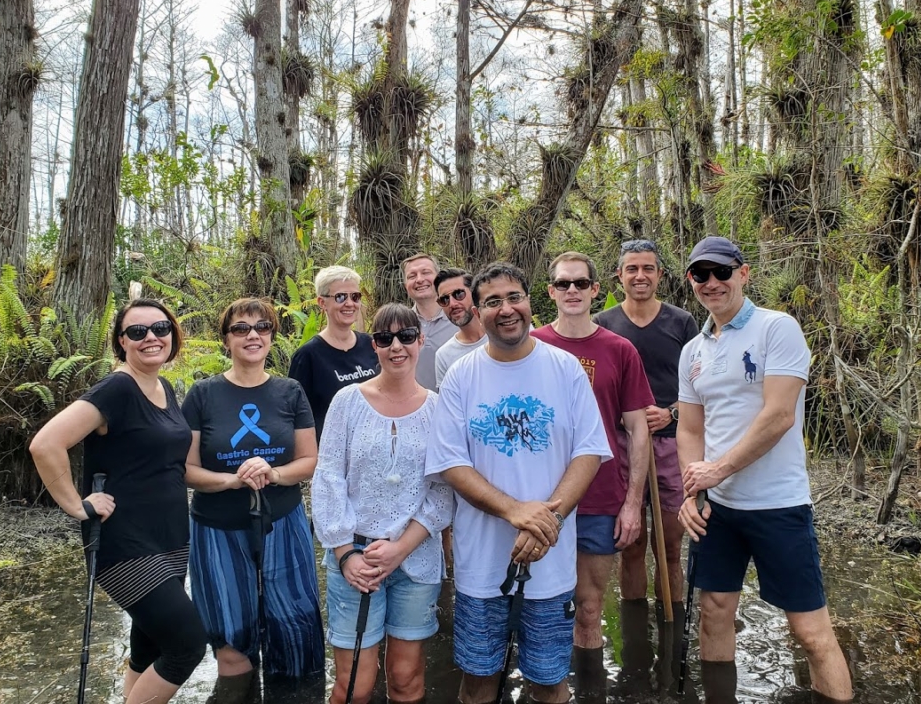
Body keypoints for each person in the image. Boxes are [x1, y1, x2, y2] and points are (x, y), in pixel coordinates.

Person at [427, 261, 612, 704]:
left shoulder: (566, 368)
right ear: (477, 310)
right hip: (481, 566)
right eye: (492, 302)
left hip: (551, 562)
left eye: (514, 297)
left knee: (549, 682)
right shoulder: (461, 375)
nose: (506, 309)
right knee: (477, 681)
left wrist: (547, 517)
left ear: (530, 301)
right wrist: (516, 511)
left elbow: (589, 451)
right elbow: (450, 462)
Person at [677, 236, 852, 701]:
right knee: (713, 611)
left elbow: (778, 416)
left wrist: (719, 470)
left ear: (743, 273)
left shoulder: (778, 328)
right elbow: (690, 429)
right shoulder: (692, 350)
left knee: (810, 632)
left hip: (778, 504)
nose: (712, 283)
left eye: (721, 272)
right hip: (717, 510)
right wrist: (693, 490)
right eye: (701, 274)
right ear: (691, 281)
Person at [29, 299, 206, 704]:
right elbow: (46, 444)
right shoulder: (118, 388)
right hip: (126, 545)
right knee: (187, 645)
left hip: (170, 538)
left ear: (172, 335)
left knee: (150, 647)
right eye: (137, 332)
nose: (151, 338)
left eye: (160, 328)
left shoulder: (163, 387)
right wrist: (77, 506)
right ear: (121, 342)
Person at [183, 298, 324, 702]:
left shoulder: (289, 391)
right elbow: (187, 470)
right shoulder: (203, 394)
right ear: (225, 339)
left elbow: (310, 460)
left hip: (283, 521)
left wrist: (273, 473)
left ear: (271, 337)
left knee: (294, 631)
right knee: (231, 638)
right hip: (217, 527)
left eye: (262, 327)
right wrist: (232, 480)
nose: (252, 335)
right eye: (240, 328)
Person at [312, 304, 453, 704]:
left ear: (421, 341)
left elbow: (444, 490)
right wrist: (344, 554)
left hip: (417, 559)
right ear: (372, 345)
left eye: (406, 336)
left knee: (406, 678)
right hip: (354, 560)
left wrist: (400, 549)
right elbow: (327, 479)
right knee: (354, 684)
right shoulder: (347, 401)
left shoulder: (439, 408)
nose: (396, 347)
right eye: (384, 338)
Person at [530, 252, 653, 655]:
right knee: (537, 605)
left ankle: (590, 685)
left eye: (580, 283)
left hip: (601, 496)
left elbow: (637, 430)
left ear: (595, 290)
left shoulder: (620, 350)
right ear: (550, 292)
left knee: (588, 607)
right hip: (542, 496)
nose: (572, 291)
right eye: (563, 284)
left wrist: (633, 503)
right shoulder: (532, 346)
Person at [594, 239, 699, 609]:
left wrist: (670, 412)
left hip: (672, 443)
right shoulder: (602, 326)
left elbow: (700, 388)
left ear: (659, 275)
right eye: (632, 269)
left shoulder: (682, 322)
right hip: (621, 447)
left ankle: (671, 630)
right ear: (619, 276)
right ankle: (636, 640)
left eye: (648, 269)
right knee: (631, 544)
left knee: (670, 546)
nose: (640, 276)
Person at [289, 265, 379, 441]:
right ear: (322, 303)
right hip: (329, 452)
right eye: (340, 297)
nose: (350, 304)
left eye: (355, 297)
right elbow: (297, 417)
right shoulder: (307, 356)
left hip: (374, 446)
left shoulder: (371, 345)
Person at [402, 253, 458, 390]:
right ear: (405, 285)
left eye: (426, 272)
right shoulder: (401, 326)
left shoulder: (460, 320)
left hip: (459, 407)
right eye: (412, 276)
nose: (419, 280)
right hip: (419, 408)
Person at [432, 267, 487, 391]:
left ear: (474, 294)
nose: (452, 304)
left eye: (459, 294)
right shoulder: (444, 355)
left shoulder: (503, 333)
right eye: (444, 299)